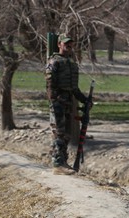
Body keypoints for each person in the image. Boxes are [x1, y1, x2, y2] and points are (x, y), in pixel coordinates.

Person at [45, 33, 89, 175]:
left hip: (69, 100)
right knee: (59, 132)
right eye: (65, 43)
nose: (69, 45)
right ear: (59, 44)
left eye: (70, 43)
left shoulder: (71, 63)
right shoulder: (54, 61)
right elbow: (50, 84)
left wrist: (84, 100)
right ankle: (58, 163)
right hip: (58, 100)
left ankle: (63, 161)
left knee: (67, 134)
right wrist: (54, 101)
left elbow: (74, 88)